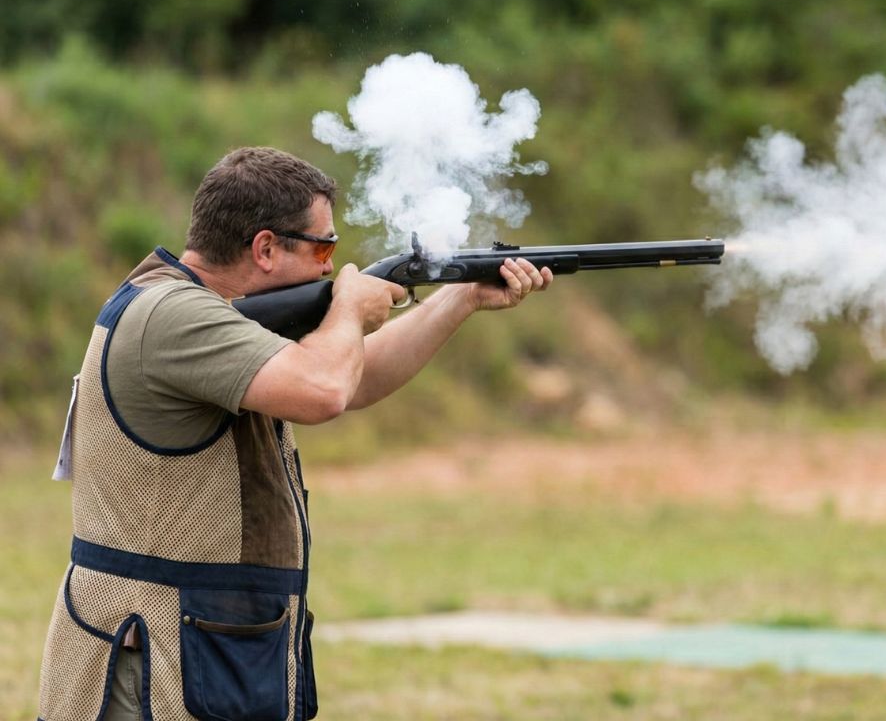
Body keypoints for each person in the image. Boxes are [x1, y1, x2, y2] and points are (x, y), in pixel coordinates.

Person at [38, 146, 552, 721]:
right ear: (264, 248)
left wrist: (462, 296)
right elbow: (325, 390)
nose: (332, 264)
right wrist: (349, 313)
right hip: (156, 662)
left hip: (207, 649)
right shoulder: (175, 315)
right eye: (323, 246)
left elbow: (354, 379)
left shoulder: (205, 312)